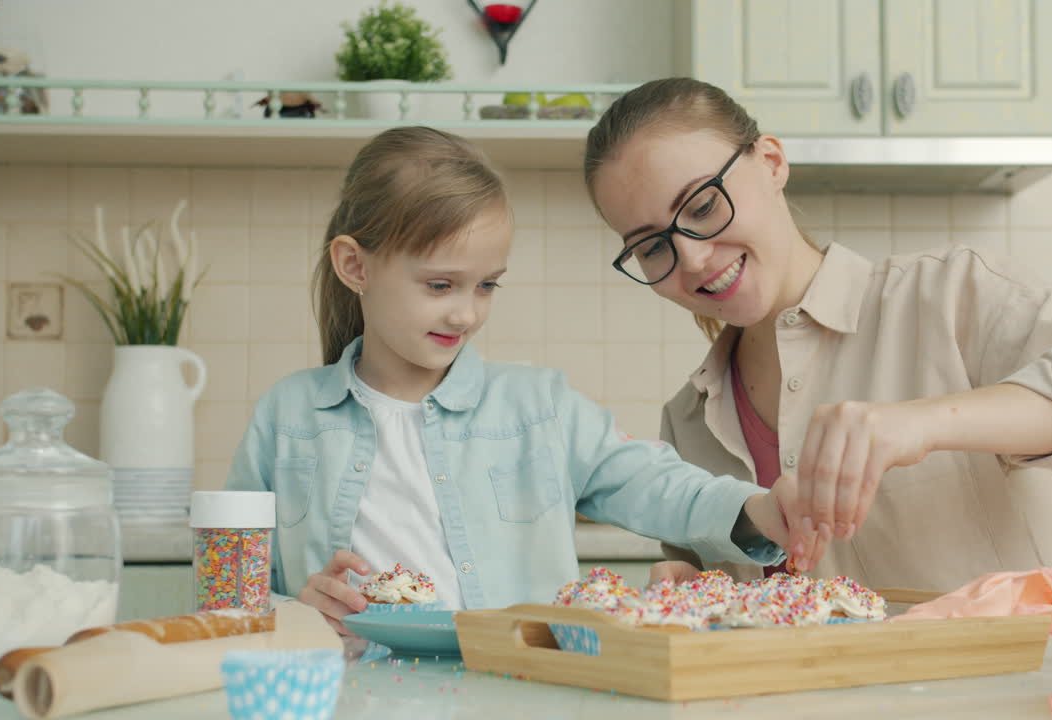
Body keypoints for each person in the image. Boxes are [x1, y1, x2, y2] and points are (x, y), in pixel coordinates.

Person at [582, 78, 1052, 591]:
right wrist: (690, 588)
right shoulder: (687, 421)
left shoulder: (947, 299)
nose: (692, 258)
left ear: (772, 161)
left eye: (701, 206)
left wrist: (924, 424)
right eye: (651, 247)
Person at [225, 126, 796, 635]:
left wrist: (762, 510)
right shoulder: (286, 418)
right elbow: (228, 599)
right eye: (440, 285)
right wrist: (298, 613)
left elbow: (658, 485)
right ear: (355, 266)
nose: (466, 314)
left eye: (486, 285)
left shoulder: (538, 408)